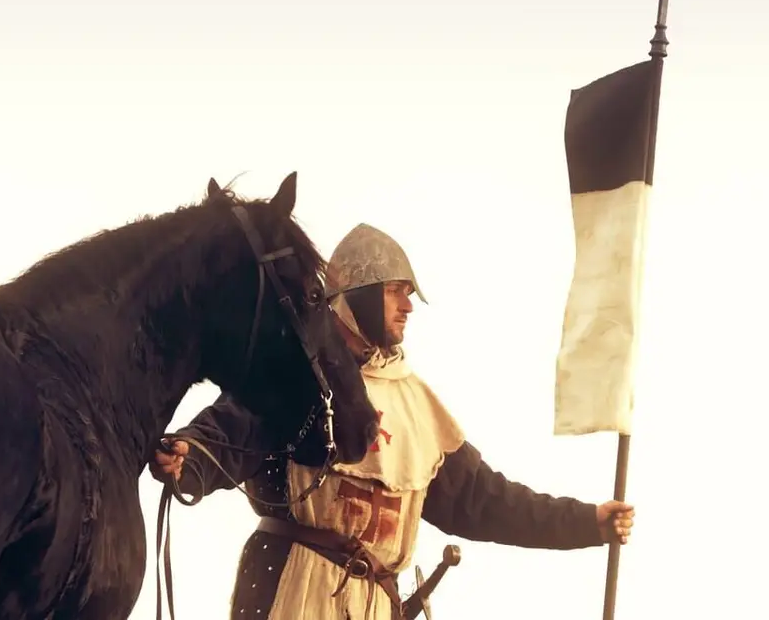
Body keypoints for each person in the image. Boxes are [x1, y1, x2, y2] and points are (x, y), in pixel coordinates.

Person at [150, 223, 635, 620]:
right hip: (292, 592)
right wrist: (190, 458)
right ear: (358, 294)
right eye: (395, 293)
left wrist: (586, 523)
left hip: (376, 606)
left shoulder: (416, 404)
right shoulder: (298, 377)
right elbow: (234, 429)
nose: (407, 307)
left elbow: (485, 502)